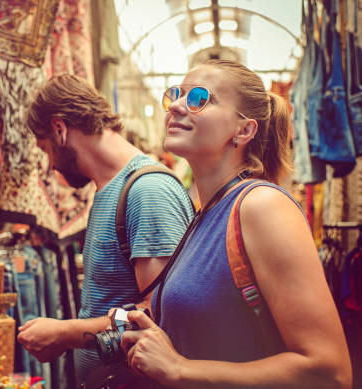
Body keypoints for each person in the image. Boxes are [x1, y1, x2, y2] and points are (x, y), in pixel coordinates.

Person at [121, 59, 352, 389]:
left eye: (200, 97)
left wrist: (180, 369)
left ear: (244, 130)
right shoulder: (207, 212)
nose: (177, 106)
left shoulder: (261, 206)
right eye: (176, 94)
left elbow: (329, 372)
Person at [17, 74, 194, 386]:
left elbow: (156, 317)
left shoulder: (147, 191)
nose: (50, 165)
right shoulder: (110, 189)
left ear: (59, 129)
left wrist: (63, 334)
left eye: (44, 149)